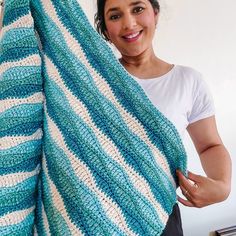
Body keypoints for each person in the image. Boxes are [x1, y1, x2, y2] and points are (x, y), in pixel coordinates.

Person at [95, 0, 232, 235]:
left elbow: (210, 145)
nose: (129, 23)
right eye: (115, 16)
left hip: (161, 217)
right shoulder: (91, 82)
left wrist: (222, 186)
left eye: (138, 9)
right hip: (96, 215)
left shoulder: (188, 82)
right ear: (106, 30)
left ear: (155, 14)